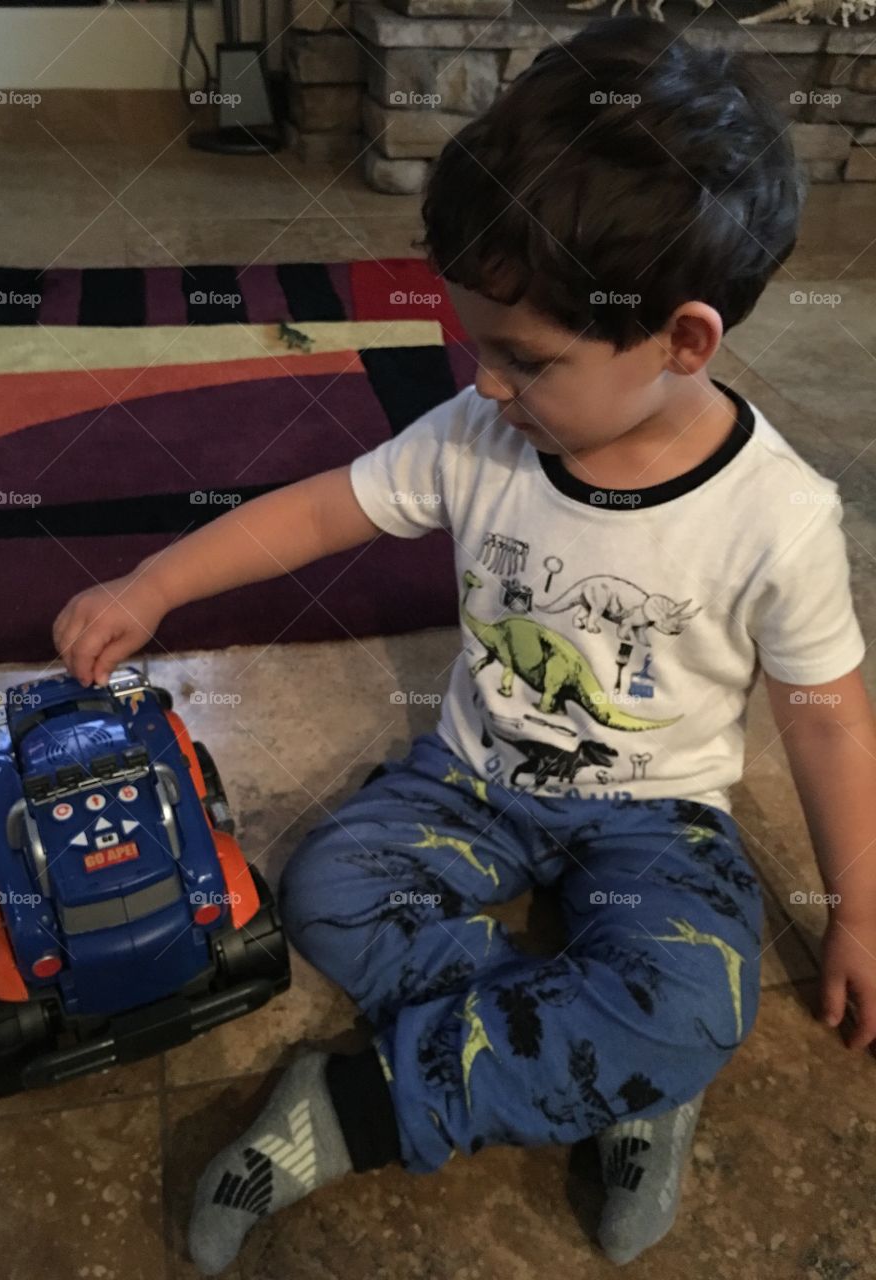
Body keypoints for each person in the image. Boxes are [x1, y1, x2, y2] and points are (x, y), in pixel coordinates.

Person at [53, 15, 876, 1274]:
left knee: (704, 1001)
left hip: (657, 818)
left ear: (684, 340)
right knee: (325, 887)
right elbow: (327, 505)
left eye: (525, 357)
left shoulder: (780, 517)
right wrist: (156, 579)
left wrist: (858, 904)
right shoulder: (479, 434)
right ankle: (593, 1064)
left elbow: (827, 715)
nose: (483, 383)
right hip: (472, 782)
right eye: (475, 342)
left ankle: (353, 1108)